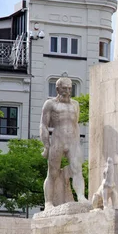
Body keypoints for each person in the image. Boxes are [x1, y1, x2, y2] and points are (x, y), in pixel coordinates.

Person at [40, 77, 88, 210]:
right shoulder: (50, 104)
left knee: (77, 170)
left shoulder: (75, 104)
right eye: (64, 88)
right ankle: (48, 202)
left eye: (69, 88)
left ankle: (80, 196)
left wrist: (78, 143)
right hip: (57, 140)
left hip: (72, 141)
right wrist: (46, 145)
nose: (67, 91)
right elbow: (43, 125)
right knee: (52, 172)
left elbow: (75, 124)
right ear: (57, 89)